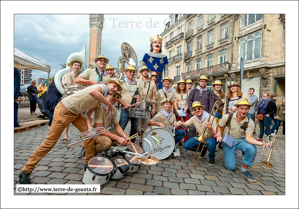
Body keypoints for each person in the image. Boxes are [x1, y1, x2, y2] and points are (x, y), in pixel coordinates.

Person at [19, 78, 122, 184]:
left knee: (89, 136)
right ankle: (25, 171)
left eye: (117, 88)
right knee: (49, 142)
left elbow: (87, 114)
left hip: (76, 114)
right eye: (113, 86)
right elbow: (92, 91)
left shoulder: (102, 97)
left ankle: (88, 165)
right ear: (107, 84)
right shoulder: (102, 87)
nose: (115, 89)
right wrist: (108, 104)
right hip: (64, 110)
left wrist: (90, 128)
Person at [215, 98, 270, 182]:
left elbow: (249, 138)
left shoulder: (250, 121)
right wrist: (219, 134)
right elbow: (219, 126)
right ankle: (230, 155)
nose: (243, 111)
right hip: (228, 141)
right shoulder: (228, 116)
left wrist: (261, 143)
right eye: (241, 108)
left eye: (246, 109)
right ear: (237, 108)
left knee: (252, 148)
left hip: (241, 140)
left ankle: (244, 169)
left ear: (248, 109)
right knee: (231, 167)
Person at [75, 55, 110, 157]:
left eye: (104, 61)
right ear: (96, 62)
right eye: (100, 61)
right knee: (86, 125)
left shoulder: (107, 77)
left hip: (100, 104)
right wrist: (91, 82)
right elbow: (77, 80)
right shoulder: (89, 71)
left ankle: (97, 144)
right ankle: (84, 147)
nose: (102, 62)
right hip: (89, 101)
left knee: (99, 125)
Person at [178, 101, 218, 165]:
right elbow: (185, 124)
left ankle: (211, 157)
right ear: (193, 111)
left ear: (202, 109)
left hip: (211, 138)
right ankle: (203, 149)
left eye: (199, 108)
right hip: (200, 136)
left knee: (210, 144)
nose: (197, 110)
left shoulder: (210, 118)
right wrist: (179, 123)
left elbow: (214, 136)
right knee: (186, 146)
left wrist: (210, 128)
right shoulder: (194, 118)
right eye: (195, 109)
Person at [187, 75, 215, 140]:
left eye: (205, 82)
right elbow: (189, 101)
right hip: (194, 113)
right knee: (191, 129)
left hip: (204, 115)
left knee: (203, 130)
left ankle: (202, 145)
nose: (203, 83)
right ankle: (190, 144)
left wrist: (209, 115)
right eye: (202, 81)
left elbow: (211, 104)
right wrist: (191, 111)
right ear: (199, 82)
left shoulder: (209, 92)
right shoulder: (193, 91)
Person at [118, 65, 140, 142]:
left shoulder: (136, 83)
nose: (132, 73)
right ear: (126, 72)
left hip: (135, 109)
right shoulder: (121, 82)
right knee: (121, 127)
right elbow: (117, 96)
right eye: (130, 71)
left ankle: (132, 144)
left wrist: (138, 102)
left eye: (133, 72)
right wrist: (124, 104)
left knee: (134, 128)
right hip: (125, 109)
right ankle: (119, 142)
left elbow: (139, 95)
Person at [62, 60, 82, 144]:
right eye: (75, 65)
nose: (77, 67)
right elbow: (69, 87)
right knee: (68, 118)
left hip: (77, 99)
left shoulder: (80, 76)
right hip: (69, 99)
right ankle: (65, 136)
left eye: (78, 65)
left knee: (80, 118)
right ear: (72, 66)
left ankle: (82, 134)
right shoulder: (68, 75)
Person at [137, 66, 157, 139]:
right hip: (139, 105)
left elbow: (154, 97)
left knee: (145, 124)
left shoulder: (152, 83)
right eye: (143, 71)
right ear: (141, 73)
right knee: (137, 123)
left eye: (146, 70)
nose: (145, 72)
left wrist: (153, 108)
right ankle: (134, 140)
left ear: (148, 72)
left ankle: (142, 139)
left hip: (148, 105)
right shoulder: (137, 82)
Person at [173, 79, 189, 143]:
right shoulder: (176, 93)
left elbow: (188, 102)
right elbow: (175, 103)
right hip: (179, 110)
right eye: (180, 84)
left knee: (185, 125)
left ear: (185, 85)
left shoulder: (187, 92)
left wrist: (185, 110)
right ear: (178, 85)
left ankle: (185, 139)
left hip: (185, 110)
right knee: (179, 125)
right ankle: (180, 141)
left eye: (183, 84)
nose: (182, 85)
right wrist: (177, 111)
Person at [212, 80, 226, 150]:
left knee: (221, 128)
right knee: (215, 128)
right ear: (214, 86)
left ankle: (220, 143)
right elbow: (212, 104)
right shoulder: (212, 93)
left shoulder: (222, 94)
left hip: (221, 113)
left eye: (219, 85)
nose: (218, 86)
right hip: (215, 113)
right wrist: (222, 102)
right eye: (216, 85)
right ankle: (213, 143)